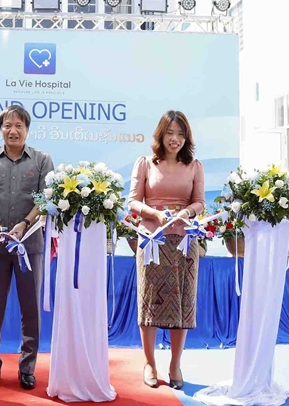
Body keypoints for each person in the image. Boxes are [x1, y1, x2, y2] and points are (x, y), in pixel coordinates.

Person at [0, 105, 54, 390]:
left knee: (30, 309)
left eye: (19, 125)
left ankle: (27, 368)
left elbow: (45, 200)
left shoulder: (42, 160)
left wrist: (25, 224)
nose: (13, 131)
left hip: (29, 246)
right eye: (7, 125)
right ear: (0, 128)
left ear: (27, 129)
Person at [126, 110, 204, 390]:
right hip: (152, 241)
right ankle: (150, 363)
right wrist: (155, 214)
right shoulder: (145, 163)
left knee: (182, 303)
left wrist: (187, 212)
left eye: (181, 134)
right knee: (149, 301)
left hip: (183, 243)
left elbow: (199, 202)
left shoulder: (194, 166)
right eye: (170, 133)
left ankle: (175, 365)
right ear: (161, 135)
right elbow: (132, 202)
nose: (175, 139)